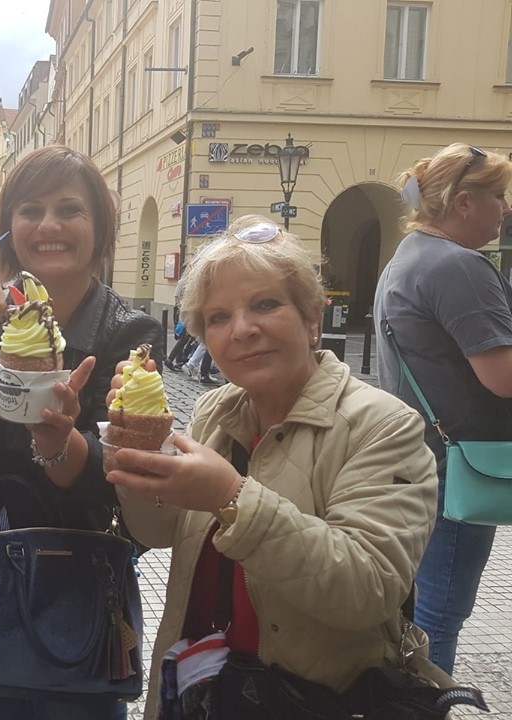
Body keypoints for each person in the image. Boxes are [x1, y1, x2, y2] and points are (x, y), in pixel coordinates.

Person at [105, 215, 439, 719]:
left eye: (266, 304)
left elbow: (368, 590)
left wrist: (231, 498)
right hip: (201, 692)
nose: (242, 329)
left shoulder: (384, 425)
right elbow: (158, 529)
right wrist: (137, 462)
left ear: (311, 318)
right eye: (218, 318)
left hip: (312, 700)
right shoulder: (213, 410)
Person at [0, 144, 162, 719]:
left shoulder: (129, 333)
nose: (49, 225)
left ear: (100, 228)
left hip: (79, 589)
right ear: (8, 228)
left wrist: (64, 445)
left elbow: (128, 482)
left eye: (70, 210)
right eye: (30, 209)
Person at [374, 144, 512, 674]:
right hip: (457, 471)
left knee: (417, 611)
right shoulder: (460, 266)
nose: (505, 207)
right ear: (462, 202)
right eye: (497, 196)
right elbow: (501, 377)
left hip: (418, 464)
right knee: (440, 615)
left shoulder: (408, 256)